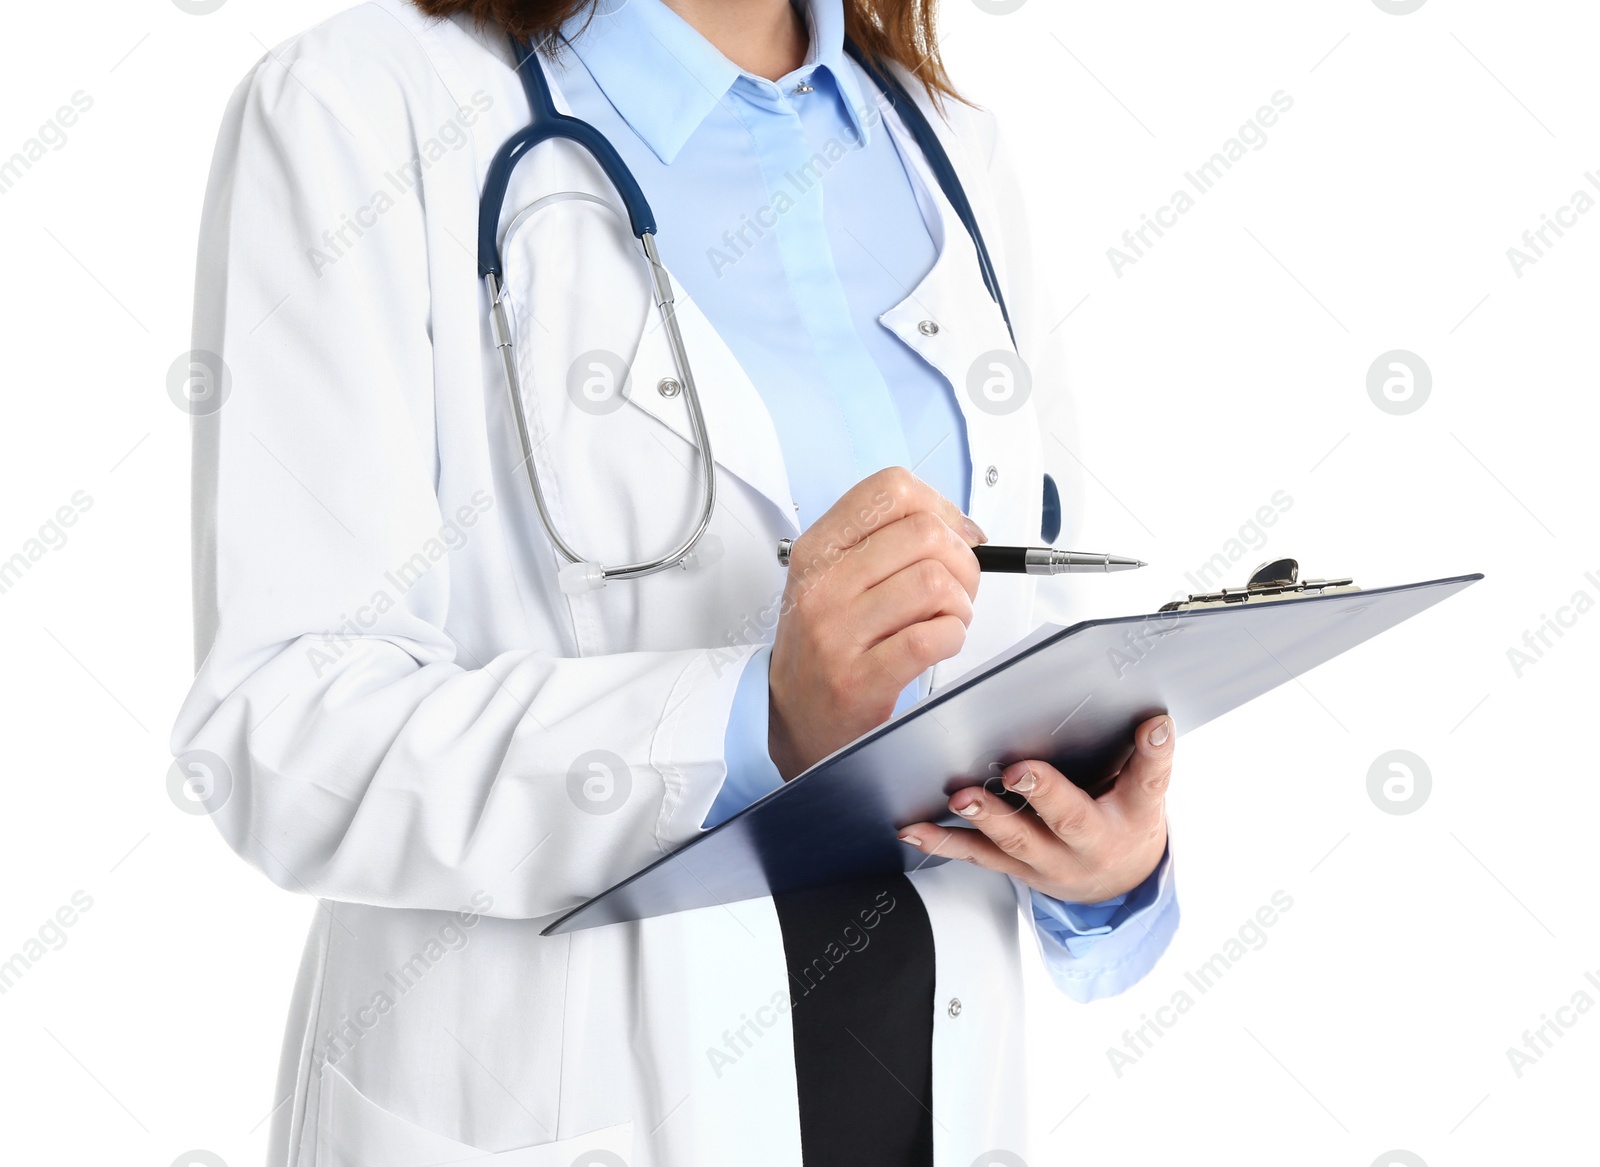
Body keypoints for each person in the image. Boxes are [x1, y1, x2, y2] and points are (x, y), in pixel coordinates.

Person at [170, 0, 1180, 1163]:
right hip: (563, 1093)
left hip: (924, 1077)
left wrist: (1099, 856)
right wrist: (755, 720)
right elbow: (280, 735)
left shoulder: (944, 141)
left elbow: (1019, 630)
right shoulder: (359, 110)